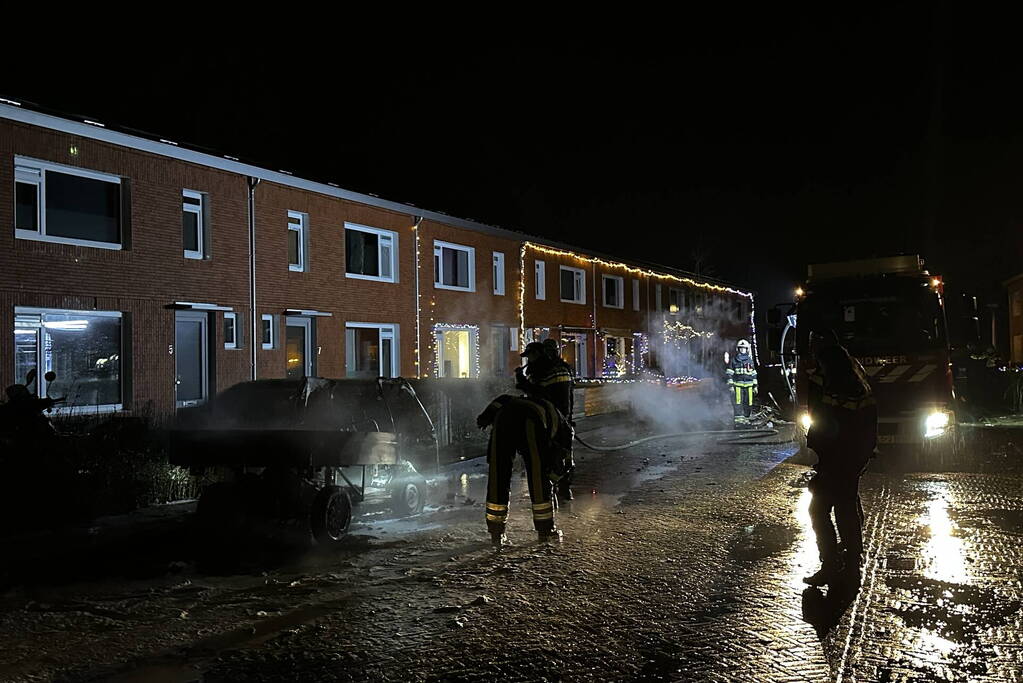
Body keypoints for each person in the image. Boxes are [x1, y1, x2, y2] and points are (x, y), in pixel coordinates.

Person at [803, 329, 878, 587]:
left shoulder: (831, 384)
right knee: (847, 505)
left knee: (820, 509)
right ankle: (852, 559)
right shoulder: (857, 379)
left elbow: (826, 424)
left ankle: (831, 564)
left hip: (837, 458)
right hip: (854, 456)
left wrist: (818, 451)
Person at [476, 393, 567, 546]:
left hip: (503, 420)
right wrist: (554, 478)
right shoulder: (563, 427)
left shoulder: (515, 399)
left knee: (498, 474)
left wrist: (485, 418)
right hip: (531, 421)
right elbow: (561, 460)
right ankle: (545, 532)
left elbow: (499, 401)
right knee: (538, 475)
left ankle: (496, 534)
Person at [516, 340, 575, 500]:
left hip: (554, 418)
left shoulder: (552, 371)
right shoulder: (550, 369)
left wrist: (523, 382)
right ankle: (560, 487)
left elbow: (542, 395)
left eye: (531, 357)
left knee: (557, 455)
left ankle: (560, 486)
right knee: (559, 454)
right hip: (555, 417)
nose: (529, 361)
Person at [726, 339, 758, 429]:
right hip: (738, 387)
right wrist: (731, 386)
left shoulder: (750, 361)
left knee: (748, 404)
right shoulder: (734, 361)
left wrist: (755, 386)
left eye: (744, 348)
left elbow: (754, 374)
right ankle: (738, 423)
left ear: (747, 349)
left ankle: (746, 421)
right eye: (741, 348)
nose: (742, 350)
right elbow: (729, 374)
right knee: (738, 404)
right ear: (738, 349)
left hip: (749, 387)